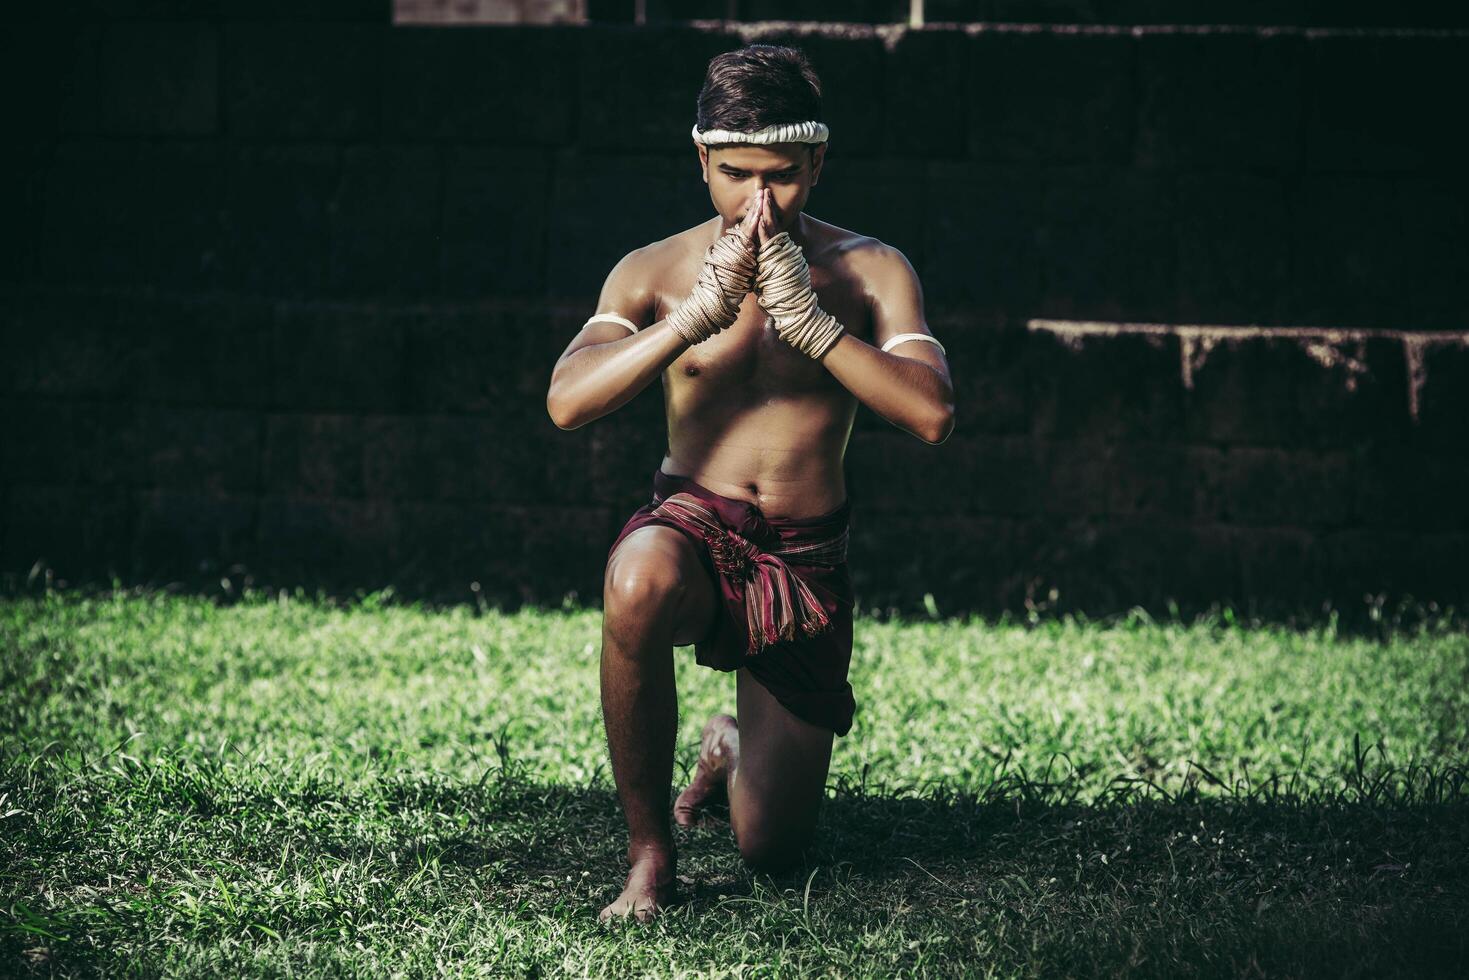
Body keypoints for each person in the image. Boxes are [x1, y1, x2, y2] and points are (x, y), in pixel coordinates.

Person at [545, 43, 954, 924]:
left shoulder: (872, 271)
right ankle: (650, 860)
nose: (758, 202)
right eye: (735, 174)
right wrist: (689, 320)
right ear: (700, 160)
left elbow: (930, 416)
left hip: (803, 563)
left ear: (817, 162)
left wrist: (813, 325)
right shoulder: (651, 270)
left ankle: (728, 751)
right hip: (692, 531)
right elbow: (566, 402)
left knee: (773, 848)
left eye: (783, 176)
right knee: (635, 580)